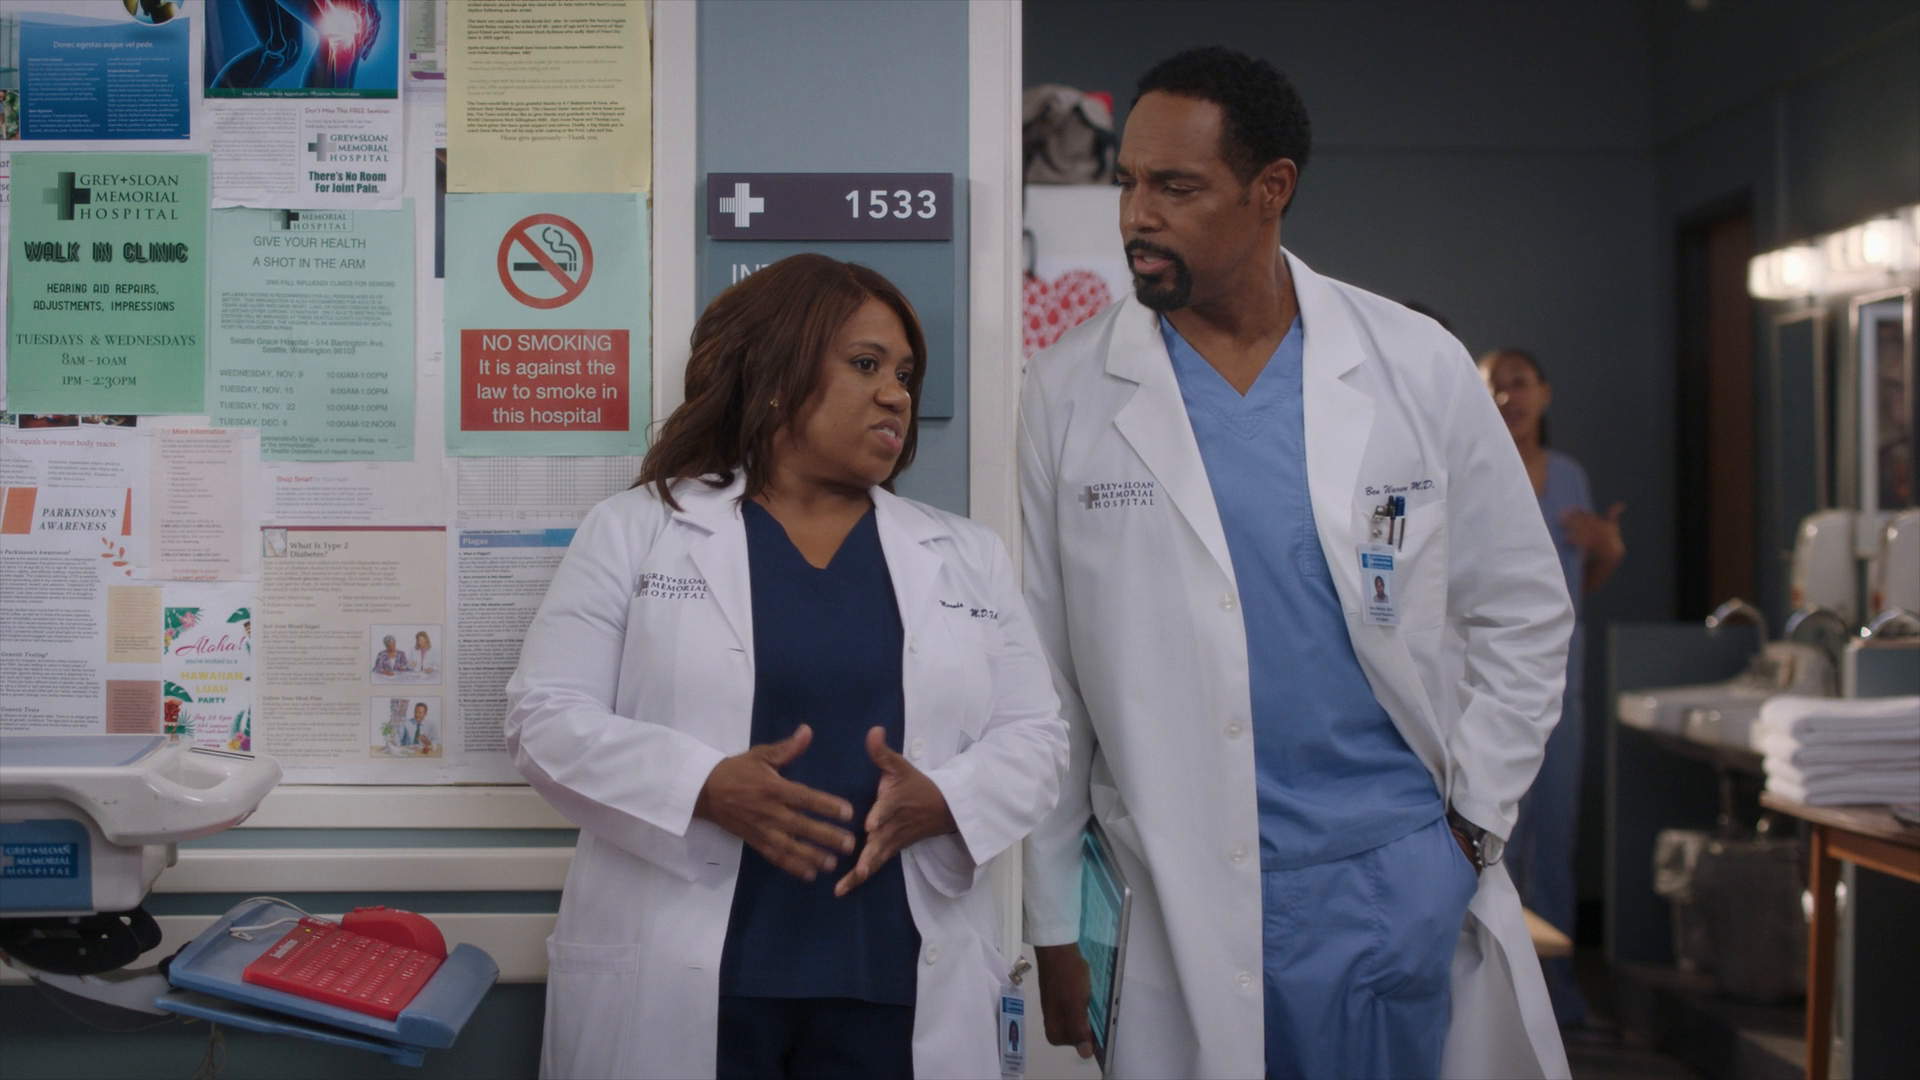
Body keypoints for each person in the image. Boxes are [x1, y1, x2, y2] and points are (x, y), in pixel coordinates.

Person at [1020, 47, 1575, 1079]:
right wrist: (1052, 916)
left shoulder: (1414, 365)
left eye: (1177, 187)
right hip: (1171, 878)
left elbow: (1524, 611)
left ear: (1270, 189)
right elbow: (1047, 680)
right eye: (1128, 182)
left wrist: (1470, 831)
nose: (1138, 215)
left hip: (1392, 879)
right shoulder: (1066, 392)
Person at [505, 254, 1067, 1080]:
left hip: (896, 977)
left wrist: (947, 799)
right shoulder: (636, 530)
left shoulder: (965, 554)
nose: (896, 395)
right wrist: (704, 785)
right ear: (774, 376)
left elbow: (1037, 736)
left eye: (904, 374)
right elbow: (544, 717)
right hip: (692, 974)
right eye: (866, 364)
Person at [1479, 347, 1625, 1036]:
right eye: (1495, 386)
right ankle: (1498, 994)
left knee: (1556, 839)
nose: (1508, 397)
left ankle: (1558, 996)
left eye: (1520, 384)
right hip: (1491, 680)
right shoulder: (1476, 464)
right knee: (1497, 834)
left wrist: (1607, 552)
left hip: (1562, 683)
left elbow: (1574, 586)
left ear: (1544, 393)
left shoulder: (1569, 477)